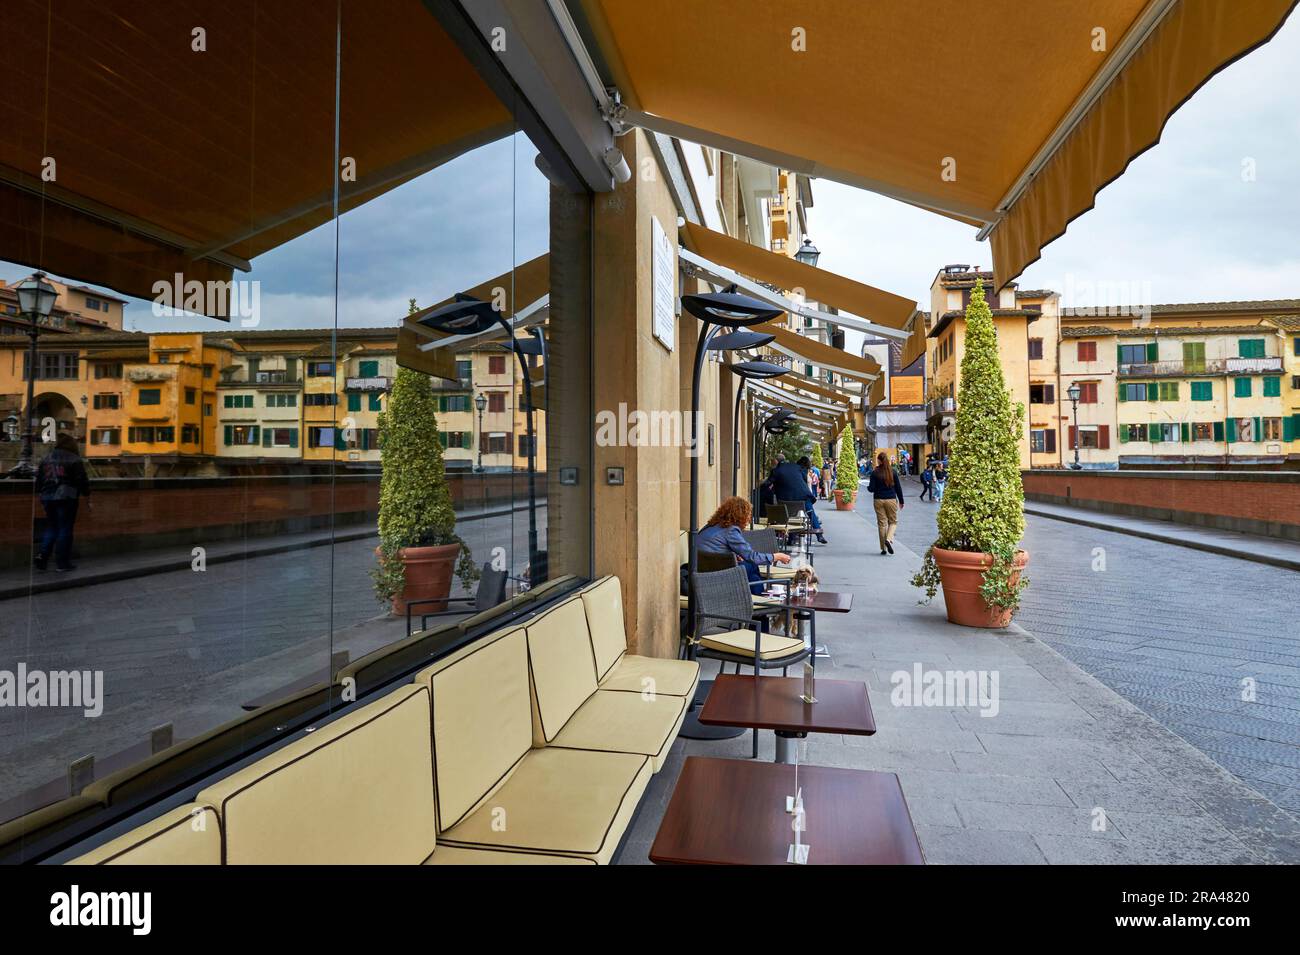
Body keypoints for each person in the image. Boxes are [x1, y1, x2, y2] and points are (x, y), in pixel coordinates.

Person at [696, 496, 792, 594]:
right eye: (748, 516)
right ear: (740, 516)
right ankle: (759, 597)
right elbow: (752, 557)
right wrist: (777, 556)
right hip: (719, 573)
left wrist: (734, 556)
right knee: (752, 565)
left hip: (703, 570)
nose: (749, 520)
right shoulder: (731, 530)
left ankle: (757, 596)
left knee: (751, 572)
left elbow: (715, 548)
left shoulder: (711, 525)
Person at [34, 433, 91, 572]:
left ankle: (42, 556)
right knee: (65, 528)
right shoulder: (75, 459)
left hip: (47, 497)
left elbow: (39, 481)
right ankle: (62, 562)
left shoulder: (46, 458)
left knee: (52, 527)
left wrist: (41, 494)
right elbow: (81, 481)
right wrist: (87, 497)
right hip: (66, 497)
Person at [767, 454, 828, 544]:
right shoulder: (795, 466)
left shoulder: (776, 471)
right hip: (803, 496)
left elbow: (768, 483)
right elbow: (803, 478)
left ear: (776, 462)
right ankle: (819, 535)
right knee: (811, 513)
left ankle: (791, 539)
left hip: (786, 499)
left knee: (791, 516)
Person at [867, 451, 905, 556]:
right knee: (893, 522)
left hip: (878, 500)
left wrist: (869, 488)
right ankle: (888, 539)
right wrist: (901, 501)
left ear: (879, 460)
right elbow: (898, 487)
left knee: (882, 523)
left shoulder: (875, 472)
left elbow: (871, 489)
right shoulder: (893, 472)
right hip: (891, 499)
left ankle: (883, 548)